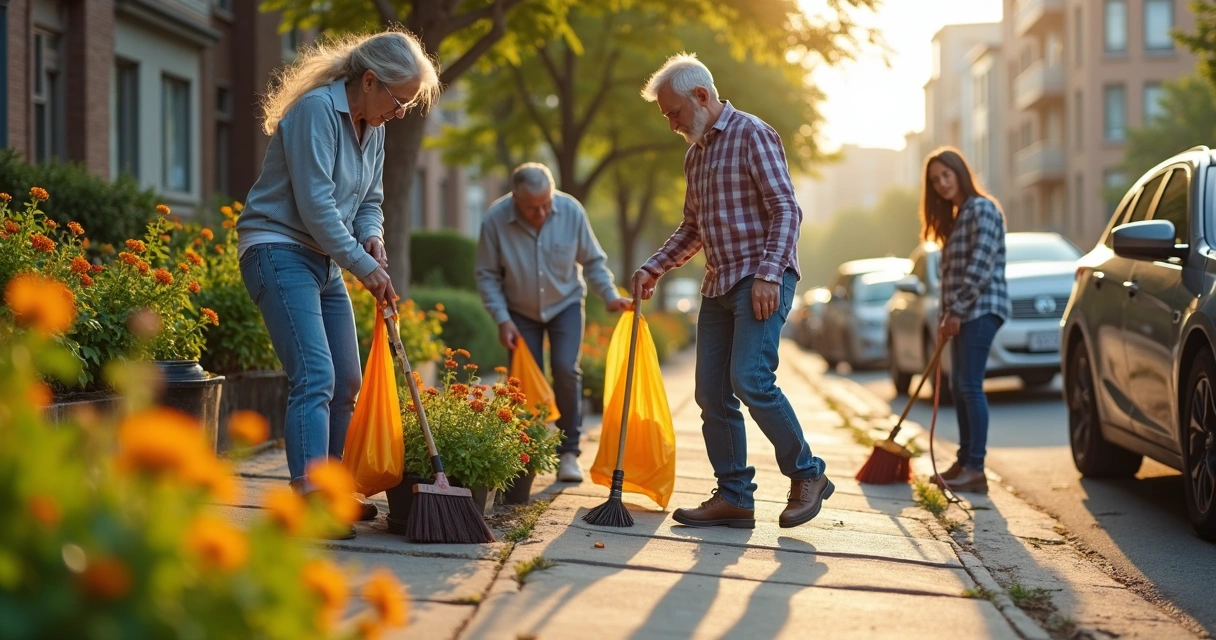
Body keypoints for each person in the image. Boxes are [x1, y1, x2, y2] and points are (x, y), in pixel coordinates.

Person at [236, 31, 440, 538]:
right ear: (369, 81)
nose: (401, 111)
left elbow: (369, 200)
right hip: (277, 249)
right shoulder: (314, 113)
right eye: (399, 99)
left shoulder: (374, 126)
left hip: (324, 259)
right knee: (315, 375)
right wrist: (363, 265)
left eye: (409, 104)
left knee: (346, 379)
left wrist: (371, 240)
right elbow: (316, 205)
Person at [632, 53, 831, 529]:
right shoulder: (695, 154)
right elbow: (692, 228)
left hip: (762, 278)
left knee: (751, 379)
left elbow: (786, 209)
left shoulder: (753, 134)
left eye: (674, 112)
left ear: (701, 96)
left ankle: (808, 474)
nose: (672, 124)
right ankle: (735, 497)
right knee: (711, 394)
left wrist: (767, 274)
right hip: (719, 281)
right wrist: (654, 268)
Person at [476, 163, 631, 483]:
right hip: (519, 311)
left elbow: (593, 261)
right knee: (521, 381)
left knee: (565, 368)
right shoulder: (495, 219)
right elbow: (487, 275)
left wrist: (610, 296)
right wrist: (502, 320)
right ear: (515, 198)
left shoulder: (571, 210)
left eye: (547, 203)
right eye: (534, 207)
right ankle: (522, 456)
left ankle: (569, 453)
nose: (543, 212)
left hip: (566, 304)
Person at [921, 147, 1010, 494]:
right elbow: (953, 275)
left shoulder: (983, 209)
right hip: (962, 311)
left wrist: (956, 309)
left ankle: (975, 467)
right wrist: (948, 313)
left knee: (969, 385)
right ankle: (964, 461)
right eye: (935, 180)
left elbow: (980, 266)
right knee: (960, 385)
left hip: (981, 308)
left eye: (946, 175)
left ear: (960, 172)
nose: (942, 184)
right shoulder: (959, 216)